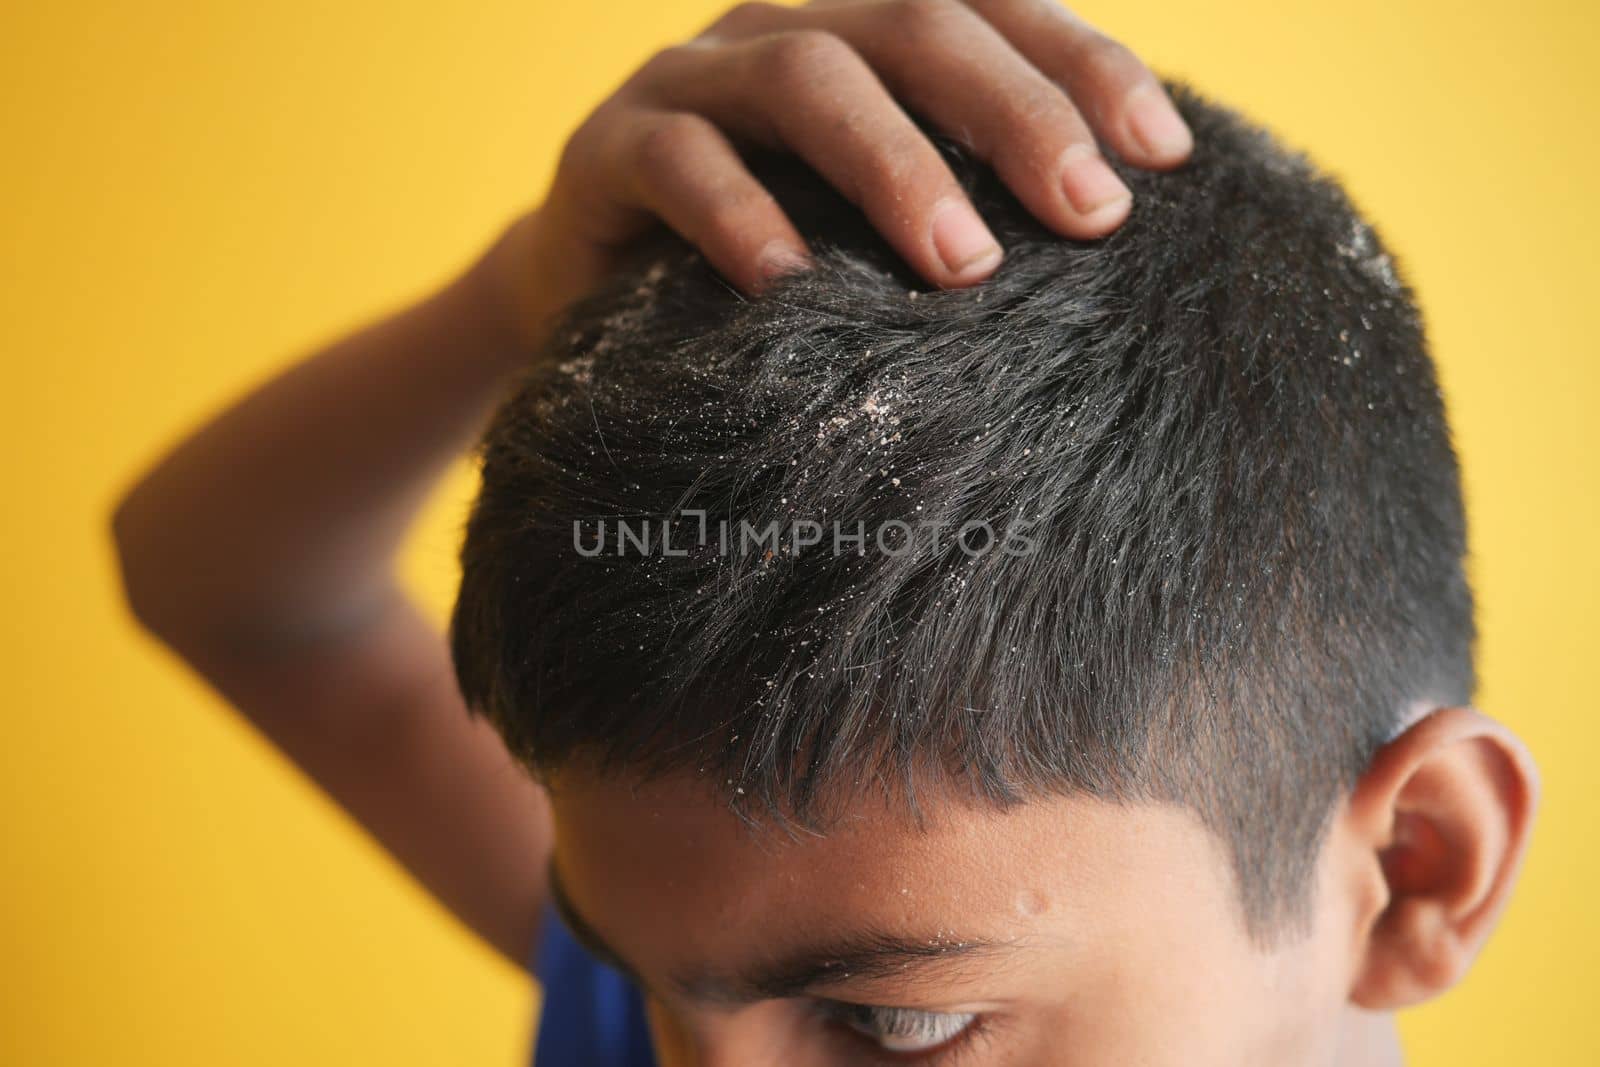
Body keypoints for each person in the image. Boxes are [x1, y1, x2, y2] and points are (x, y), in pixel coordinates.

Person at [110, 2, 1538, 1064]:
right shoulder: (716, 971)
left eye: (902, 1029)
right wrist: (517, 292)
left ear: (1417, 867)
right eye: (650, 990)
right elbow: (225, 589)